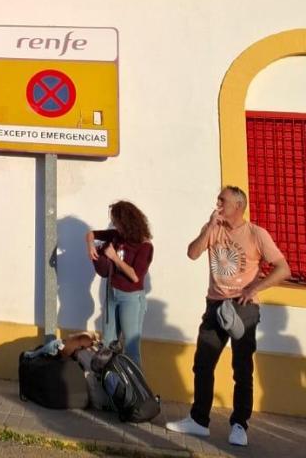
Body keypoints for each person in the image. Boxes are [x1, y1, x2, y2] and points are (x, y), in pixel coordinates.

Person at [166, 186, 291, 447]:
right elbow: (192, 253)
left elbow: (283, 268)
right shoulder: (214, 227)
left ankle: (239, 425)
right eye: (218, 199)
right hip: (215, 305)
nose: (218, 203)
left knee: (241, 367)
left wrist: (254, 288)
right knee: (203, 363)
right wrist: (209, 227)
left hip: (243, 308)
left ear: (238, 205)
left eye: (222, 200)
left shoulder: (257, 234)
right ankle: (199, 420)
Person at [85, 200, 154, 366]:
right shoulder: (116, 236)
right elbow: (90, 234)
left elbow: (135, 276)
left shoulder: (144, 246)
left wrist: (114, 258)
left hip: (131, 298)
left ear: (128, 223)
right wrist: (90, 247)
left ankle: (136, 388)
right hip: (112, 293)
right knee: (108, 343)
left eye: (117, 222)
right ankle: (110, 386)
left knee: (131, 347)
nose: (115, 225)